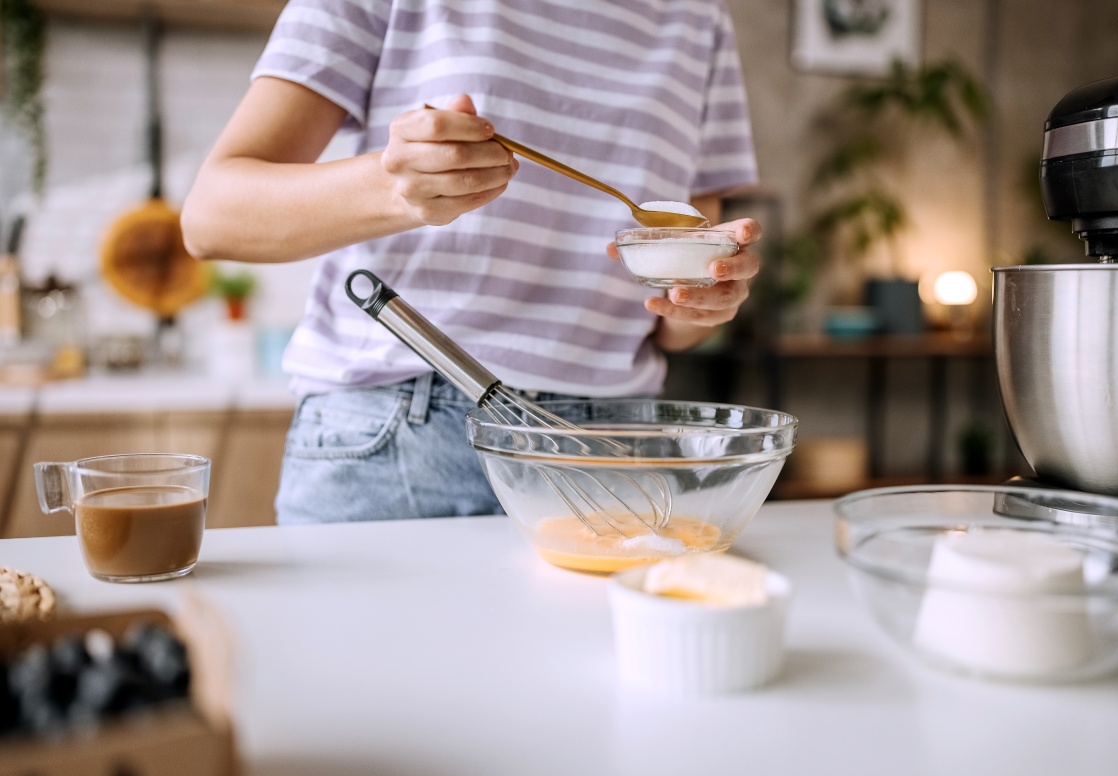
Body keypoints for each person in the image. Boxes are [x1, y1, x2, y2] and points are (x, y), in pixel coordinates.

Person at [181, 0, 763, 524]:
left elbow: (675, 316)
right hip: (397, 439)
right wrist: (393, 189)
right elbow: (211, 216)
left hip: (612, 448)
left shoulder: (700, 18)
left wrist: (704, 297)